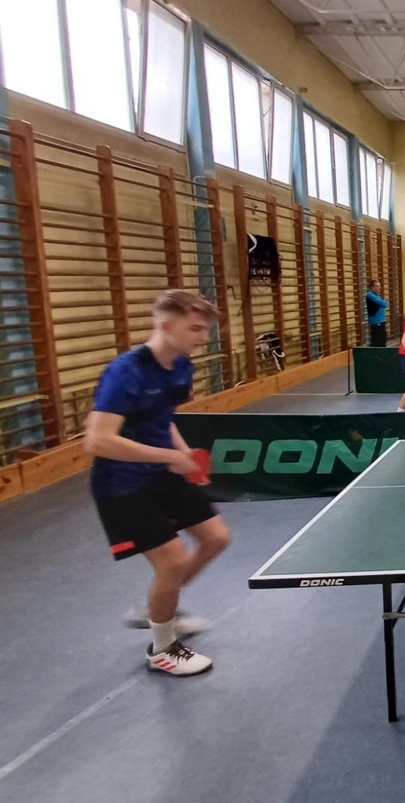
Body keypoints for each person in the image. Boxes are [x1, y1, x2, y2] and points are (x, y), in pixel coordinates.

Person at [83, 289, 231, 677]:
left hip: (163, 470)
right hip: (122, 484)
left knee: (215, 539)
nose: (204, 338)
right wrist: (170, 457)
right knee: (173, 560)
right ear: (165, 325)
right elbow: (97, 441)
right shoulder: (126, 372)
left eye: (205, 329)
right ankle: (162, 648)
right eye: (195, 329)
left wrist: (185, 457)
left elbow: (163, 419)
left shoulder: (181, 366)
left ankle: (160, 605)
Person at [365, 279, 389, 347]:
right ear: (372, 287)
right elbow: (384, 304)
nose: (379, 288)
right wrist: (383, 301)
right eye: (377, 286)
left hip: (381, 321)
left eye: (379, 286)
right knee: (377, 342)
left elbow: (386, 303)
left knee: (383, 341)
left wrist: (383, 301)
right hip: (376, 322)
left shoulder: (378, 295)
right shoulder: (370, 295)